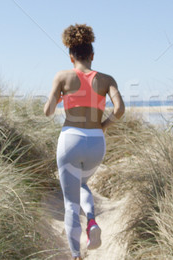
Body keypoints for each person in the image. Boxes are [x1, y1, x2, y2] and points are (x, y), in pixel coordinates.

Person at [44, 24, 125, 260]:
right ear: (92, 55)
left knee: (70, 202)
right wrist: (103, 125)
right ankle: (91, 221)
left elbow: (48, 111)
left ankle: (76, 255)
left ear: (71, 57)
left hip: (70, 139)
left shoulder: (62, 76)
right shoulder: (107, 79)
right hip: (96, 141)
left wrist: (58, 96)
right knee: (82, 185)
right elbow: (120, 109)